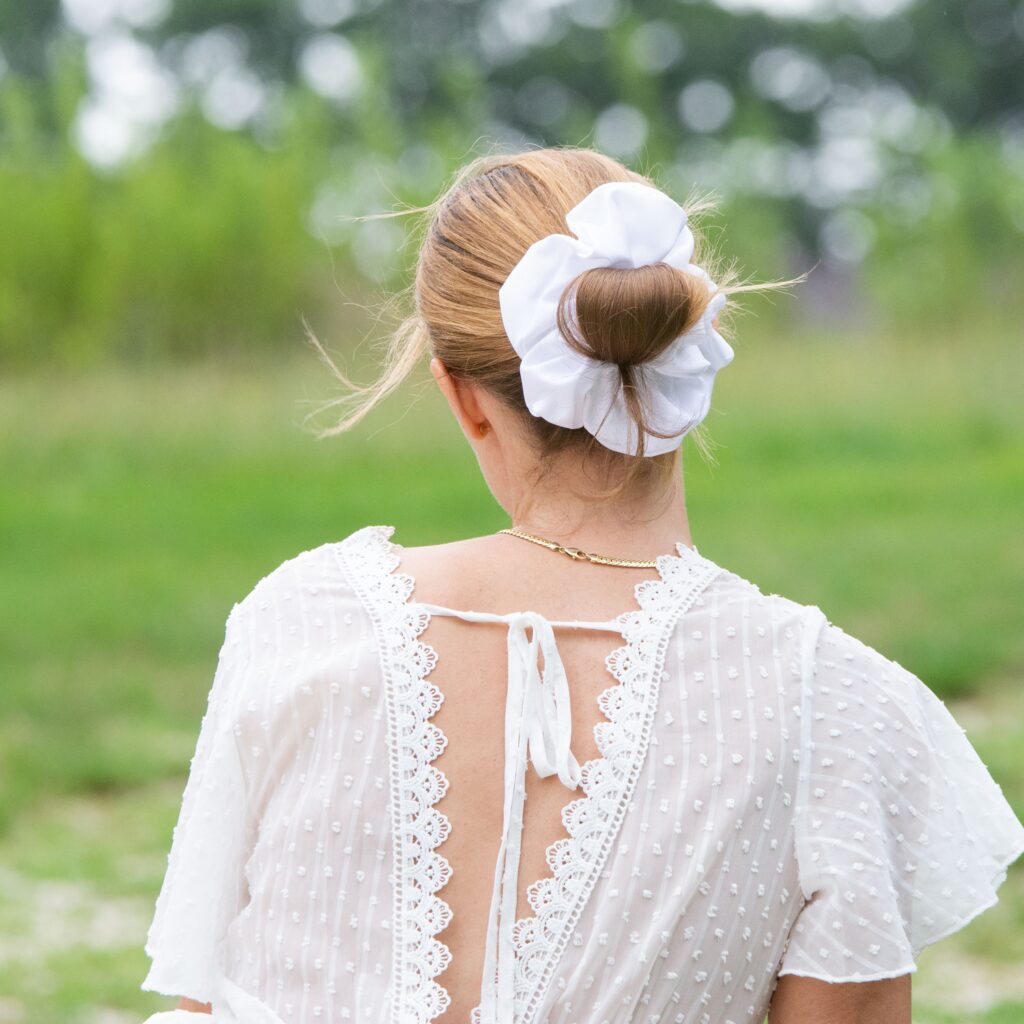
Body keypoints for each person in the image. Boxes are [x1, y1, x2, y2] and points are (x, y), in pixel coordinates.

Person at [139, 147, 1024, 1024]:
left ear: (463, 395)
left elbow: (203, 1000)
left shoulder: (303, 622)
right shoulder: (834, 708)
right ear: (697, 351)